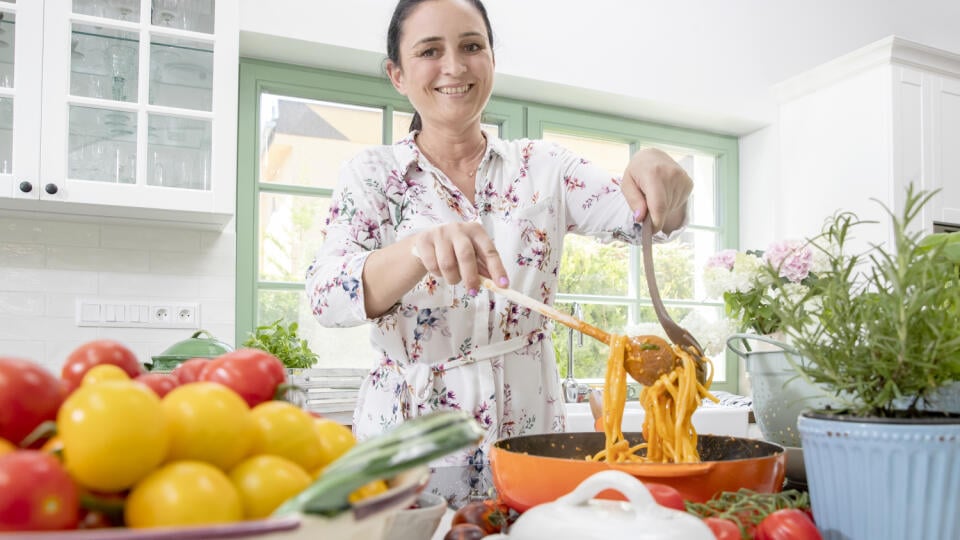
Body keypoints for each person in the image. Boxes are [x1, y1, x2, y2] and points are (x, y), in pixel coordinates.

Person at [305, 0, 693, 505]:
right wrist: (417, 250)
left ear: (491, 59)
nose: (455, 66)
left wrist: (657, 172)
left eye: (472, 46)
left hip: (529, 435)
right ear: (397, 75)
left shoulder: (544, 167)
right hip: (409, 444)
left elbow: (645, 217)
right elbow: (327, 297)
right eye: (429, 50)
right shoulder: (372, 176)